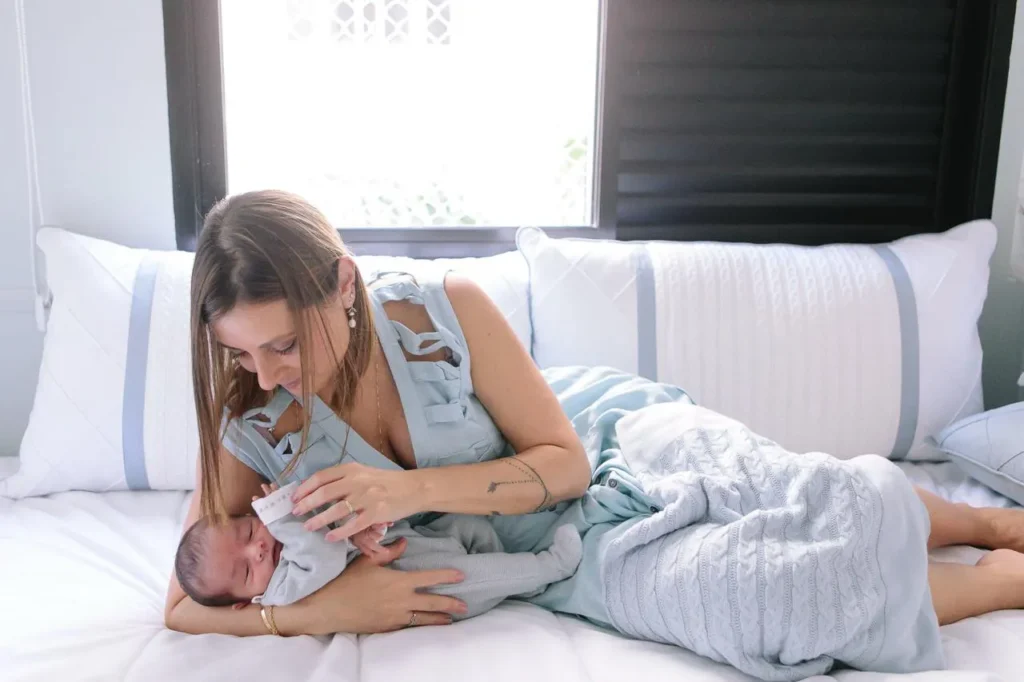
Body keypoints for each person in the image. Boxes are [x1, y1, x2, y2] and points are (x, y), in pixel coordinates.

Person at [166, 189, 1024, 677]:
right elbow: (184, 603)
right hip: (569, 558)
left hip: (610, 437)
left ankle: (984, 520)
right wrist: (311, 612)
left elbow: (566, 463)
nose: (266, 372)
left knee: (800, 490)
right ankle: (996, 579)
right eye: (240, 352)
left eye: (283, 342)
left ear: (341, 284)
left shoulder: (441, 308)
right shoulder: (251, 422)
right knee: (768, 594)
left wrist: (405, 491)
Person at [173, 481, 582, 619]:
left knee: (469, 528)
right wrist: (278, 519)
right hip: (430, 588)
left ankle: (521, 587)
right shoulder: (281, 591)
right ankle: (551, 566)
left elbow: (332, 529)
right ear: (247, 602)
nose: (258, 551)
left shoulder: (287, 538)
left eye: (247, 531)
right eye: (246, 572)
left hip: (424, 545)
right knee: (482, 574)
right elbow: (323, 554)